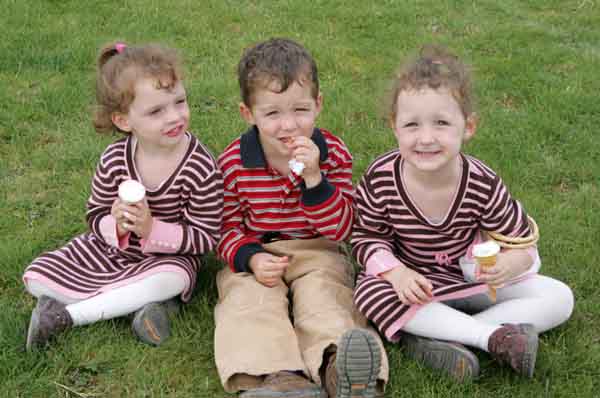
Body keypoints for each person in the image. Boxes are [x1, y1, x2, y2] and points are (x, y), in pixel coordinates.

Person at [352, 45, 574, 381]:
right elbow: (366, 238)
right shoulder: (381, 176)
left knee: (559, 297)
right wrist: (397, 274)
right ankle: (491, 338)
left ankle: (441, 336)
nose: (426, 138)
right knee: (369, 291)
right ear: (394, 126)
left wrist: (509, 264)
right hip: (415, 287)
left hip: (471, 281)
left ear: (468, 126)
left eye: (441, 123)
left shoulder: (482, 181)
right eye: (411, 124)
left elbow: (522, 244)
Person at [214, 38, 388, 398]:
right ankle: (276, 377)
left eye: (300, 110)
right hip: (257, 252)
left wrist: (315, 180)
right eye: (272, 114)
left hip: (317, 250)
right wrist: (249, 257)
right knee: (247, 302)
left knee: (327, 298)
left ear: (318, 105)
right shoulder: (233, 162)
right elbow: (224, 227)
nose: (288, 125)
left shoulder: (333, 154)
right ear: (249, 114)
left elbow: (343, 227)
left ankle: (340, 369)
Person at [23, 42, 223, 350]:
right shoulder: (115, 158)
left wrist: (150, 229)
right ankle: (144, 307)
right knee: (35, 276)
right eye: (156, 111)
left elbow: (206, 237)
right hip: (111, 251)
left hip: (166, 259)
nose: (174, 117)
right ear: (124, 121)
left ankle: (67, 316)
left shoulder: (199, 165)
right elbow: (94, 214)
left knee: (172, 280)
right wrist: (114, 222)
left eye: (179, 102)